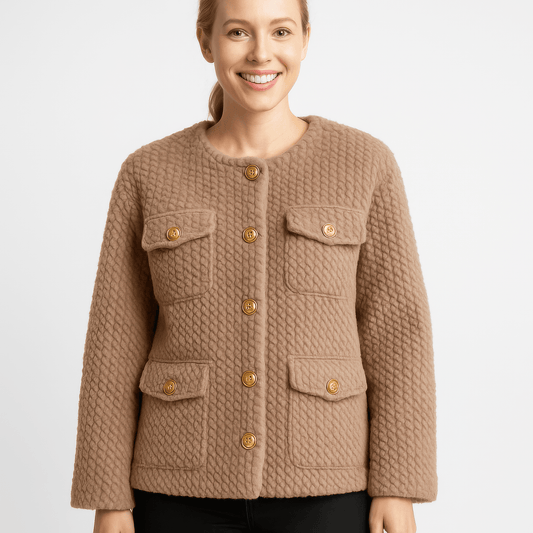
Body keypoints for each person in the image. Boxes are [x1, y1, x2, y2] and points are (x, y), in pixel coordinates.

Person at [70, 0, 438, 531]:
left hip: (328, 486)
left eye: (281, 31)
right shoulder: (147, 172)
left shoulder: (365, 164)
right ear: (206, 42)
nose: (261, 53)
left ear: (305, 39)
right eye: (239, 32)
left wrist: (398, 484)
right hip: (175, 488)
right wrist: (108, 497)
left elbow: (398, 334)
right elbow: (113, 342)